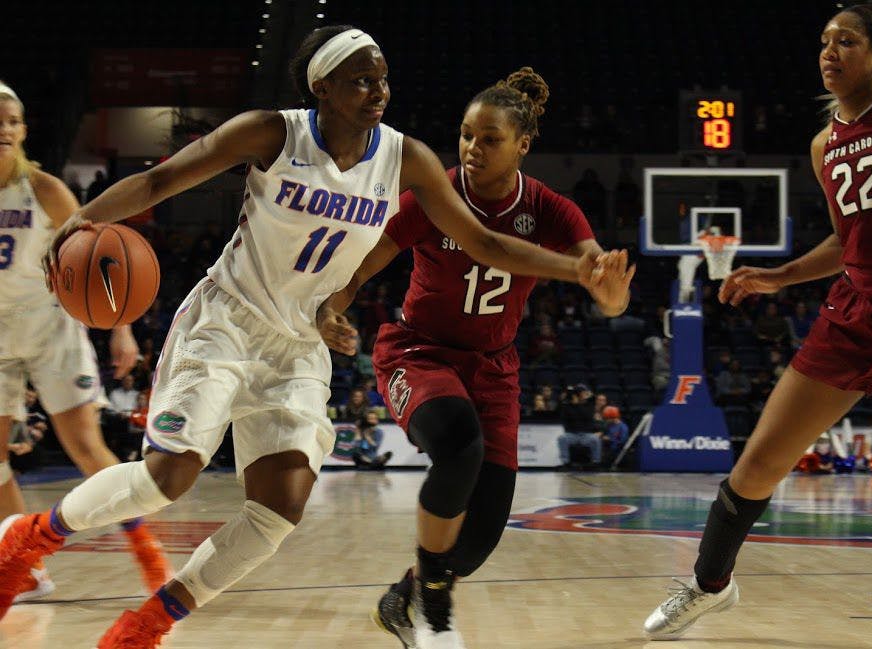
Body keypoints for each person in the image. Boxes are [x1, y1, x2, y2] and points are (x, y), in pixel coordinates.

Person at [0, 29, 616, 647]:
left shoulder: (406, 158)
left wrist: (577, 268)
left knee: (278, 511)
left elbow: (484, 243)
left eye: (382, 78)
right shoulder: (272, 132)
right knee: (169, 477)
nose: (379, 91)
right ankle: (30, 538)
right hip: (227, 321)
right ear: (322, 87)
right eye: (361, 80)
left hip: (296, 346)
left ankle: (148, 624)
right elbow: (160, 183)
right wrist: (85, 217)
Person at [643, 7, 872, 646]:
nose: (829, 51)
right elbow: (846, 242)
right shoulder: (825, 144)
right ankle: (709, 587)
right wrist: (779, 275)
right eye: (823, 41)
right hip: (854, 311)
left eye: (845, 41)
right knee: (757, 467)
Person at [317, 67, 632, 648]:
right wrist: (334, 306)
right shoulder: (432, 196)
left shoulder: (553, 210)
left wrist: (611, 293)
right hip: (418, 353)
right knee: (459, 445)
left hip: (494, 368)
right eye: (465, 134)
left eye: (489, 139)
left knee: (479, 540)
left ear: (523, 145)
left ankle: (405, 596)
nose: (472, 148)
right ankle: (436, 610)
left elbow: (601, 277)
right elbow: (362, 265)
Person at [0, 81, 169, 605]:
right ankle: (24, 568)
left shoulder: (45, 189)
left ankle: (154, 564)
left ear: (24, 130)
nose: (3, 131)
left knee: (86, 450)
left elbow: (98, 256)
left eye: (10, 121)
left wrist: (119, 327)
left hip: (50, 326)